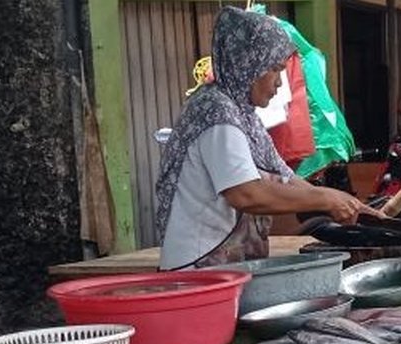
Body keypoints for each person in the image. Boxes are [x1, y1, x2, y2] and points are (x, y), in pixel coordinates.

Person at [155, 7, 375, 270]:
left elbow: (284, 178)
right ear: (249, 63)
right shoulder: (217, 113)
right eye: (275, 70)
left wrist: (348, 205)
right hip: (197, 270)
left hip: (222, 264)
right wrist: (325, 199)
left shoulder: (243, 114)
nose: (280, 83)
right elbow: (246, 193)